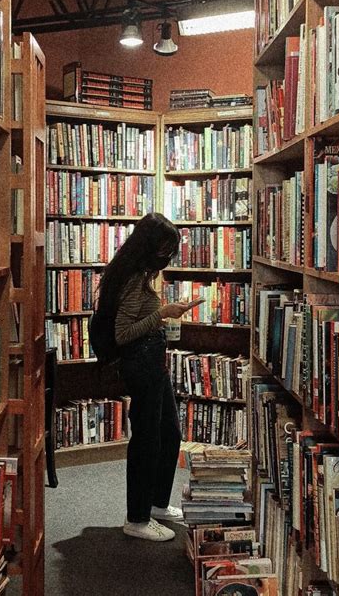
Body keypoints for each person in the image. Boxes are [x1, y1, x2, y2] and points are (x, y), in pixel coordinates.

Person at [96, 212, 195, 541]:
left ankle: (156, 503)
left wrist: (163, 313)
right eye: (165, 248)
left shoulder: (136, 274)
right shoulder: (135, 279)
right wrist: (163, 314)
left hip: (153, 362)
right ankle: (136, 518)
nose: (168, 256)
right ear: (150, 246)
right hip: (141, 364)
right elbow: (123, 334)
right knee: (147, 439)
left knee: (169, 433)